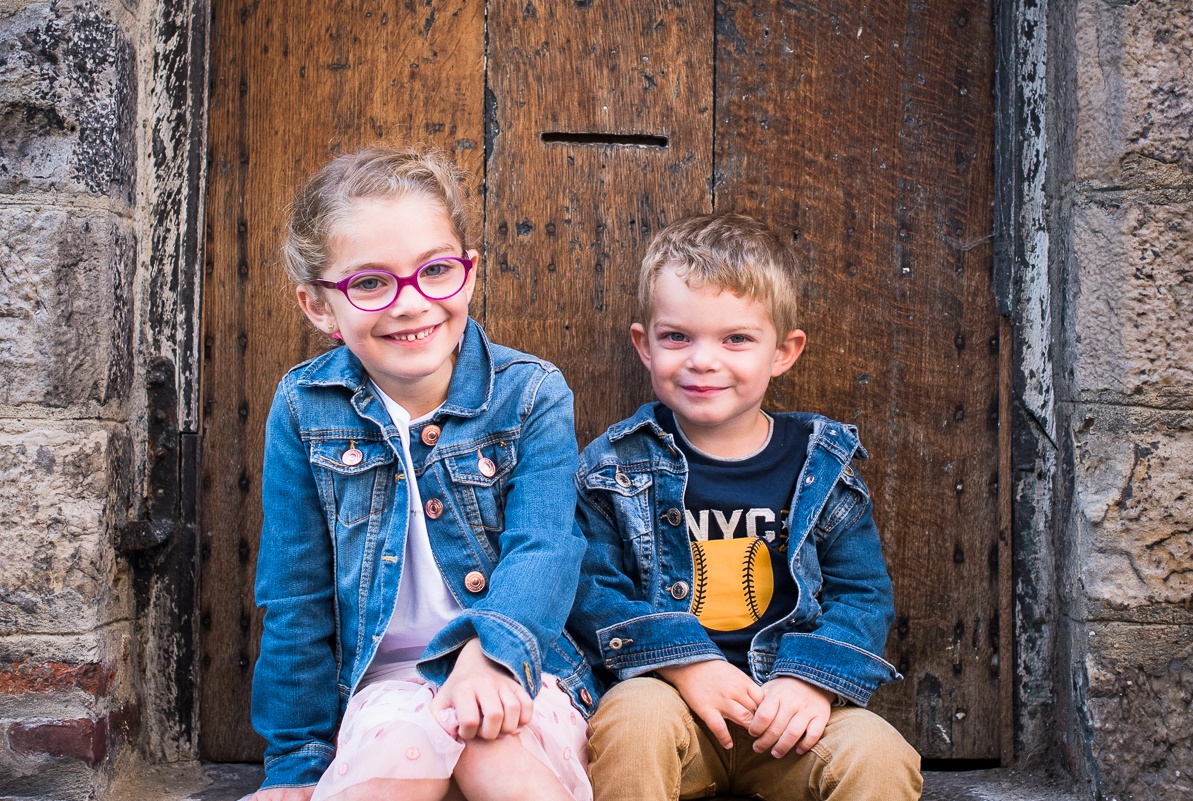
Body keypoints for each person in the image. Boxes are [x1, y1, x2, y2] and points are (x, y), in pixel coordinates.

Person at [245, 147, 598, 801]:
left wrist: (490, 650)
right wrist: (293, 767)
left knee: (501, 761)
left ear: (467, 272)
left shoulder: (529, 394)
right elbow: (296, 598)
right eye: (371, 283)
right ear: (320, 305)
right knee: (385, 775)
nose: (412, 303)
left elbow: (546, 549)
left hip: (519, 663)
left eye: (435, 269)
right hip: (382, 687)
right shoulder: (303, 408)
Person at [568, 212, 923, 800]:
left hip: (789, 718)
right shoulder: (614, 467)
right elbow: (587, 586)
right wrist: (683, 664)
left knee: (881, 754)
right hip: (673, 704)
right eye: (677, 337)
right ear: (644, 346)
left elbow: (862, 591)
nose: (703, 360)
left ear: (783, 351)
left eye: (736, 339)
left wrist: (812, 680)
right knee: (633, 716)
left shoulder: (821, 467)